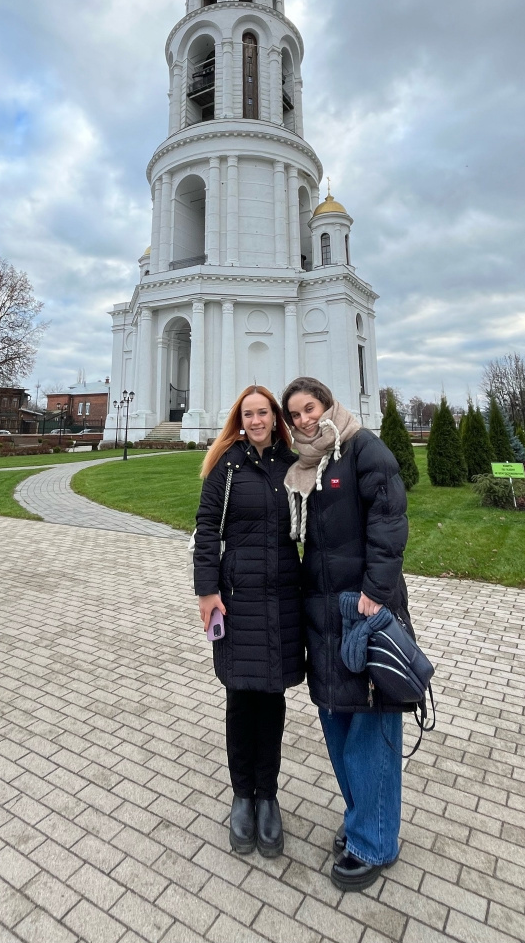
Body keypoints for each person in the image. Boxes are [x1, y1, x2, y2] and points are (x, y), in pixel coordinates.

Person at [281, 376, 412, 892]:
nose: (303, 420)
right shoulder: (308, 466)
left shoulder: (363, 449)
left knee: (371, 723)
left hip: (362, 607)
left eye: (309, 408)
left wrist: (376, 594)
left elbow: (389, 521)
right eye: (295, 415)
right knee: (337, 716)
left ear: (328, 404)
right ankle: (362, 820)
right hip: (323, 608)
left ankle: (375, 841)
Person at [193, 385, 304, 858]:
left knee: (272, 701)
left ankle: (268, 797)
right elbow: (206, 527)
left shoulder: (292, 464)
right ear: (239, 418)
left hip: (281, 596)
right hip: (238, 599)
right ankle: (242, 796)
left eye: (263, 413)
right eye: (249, 413)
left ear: (274, 417)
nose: (257, 420)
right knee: (241, 699)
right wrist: (206, 591)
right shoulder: (228, 465)